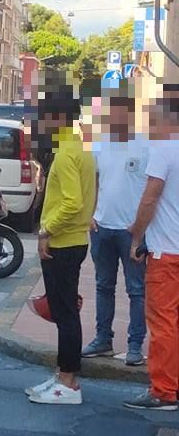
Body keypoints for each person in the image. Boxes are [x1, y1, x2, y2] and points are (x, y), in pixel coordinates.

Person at [27, 87, 96, 405]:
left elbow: (72, 202)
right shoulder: (79, 147)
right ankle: (61, 375)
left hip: (63, 243)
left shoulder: (67, 153)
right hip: (72, 240)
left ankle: (68, 381)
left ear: (57, 118)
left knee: (65, 313)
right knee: (63, 310)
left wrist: (46, 231)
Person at [82, 93, 148, 366]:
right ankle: (103, 340)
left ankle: (135, 346)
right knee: (103, 286)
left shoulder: (145, 145)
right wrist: (90, 214)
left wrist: (141, 228)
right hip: (102, 228)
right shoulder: (100, 144)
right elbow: (95, 180)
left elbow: (153, 190)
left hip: (131, 232)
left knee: (137, 290)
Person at [124, 97, 179, 411]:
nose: (149, 126)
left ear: (166, 119)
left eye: (152, 119)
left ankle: (163, 391)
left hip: (166, 254)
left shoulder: (164, 150)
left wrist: (136, 234)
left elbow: (150, 199)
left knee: (163, 323)